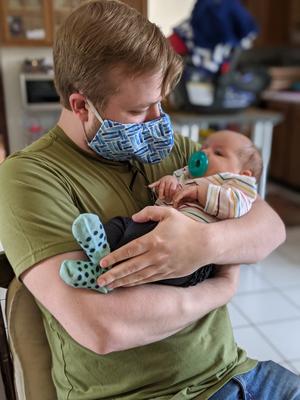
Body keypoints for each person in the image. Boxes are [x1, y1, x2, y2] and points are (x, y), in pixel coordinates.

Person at [0, 1, 298, 399]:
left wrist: (200, 246)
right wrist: (219, 290)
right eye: (140, 109)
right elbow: (103, 328)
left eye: (161, 102)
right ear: (80, 105)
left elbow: (269, 228)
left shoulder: (172, 148)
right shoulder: (30, 177)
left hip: (235, 372)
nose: (159, 120)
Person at [60, 130, 261, 291]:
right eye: (205, 147)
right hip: (156, 226)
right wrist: (169, 183)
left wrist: (201, 192)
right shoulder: (187, 173)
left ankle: (105, 277)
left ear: (244, 173)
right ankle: (99, 254)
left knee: (141, 249)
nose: (205, 153)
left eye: (218, 153)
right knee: (121, 226)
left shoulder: (237, 185)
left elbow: (236, 205)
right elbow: (166, 199)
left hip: (191, 261)